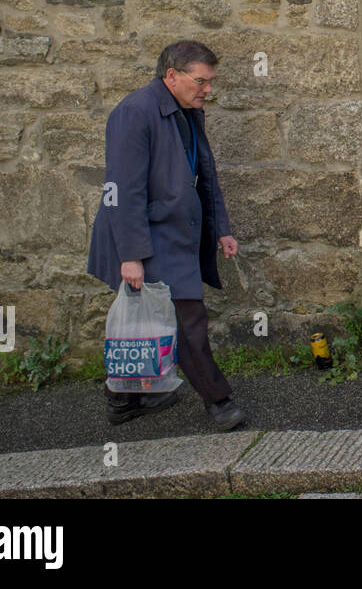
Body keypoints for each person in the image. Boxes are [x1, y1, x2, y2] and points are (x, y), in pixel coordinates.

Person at [86, 40, 247, 430]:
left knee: (152, 323)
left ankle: (124, 401)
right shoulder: (135, 113)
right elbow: (122, 189)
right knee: (187, 318)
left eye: (210, 82)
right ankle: (219, 403)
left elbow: (204, 176)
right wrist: (131, 254)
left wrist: (221, 228)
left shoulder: (188, 110)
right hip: (146, 237)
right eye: (201, 81)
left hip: (176, 235)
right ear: (171, 76)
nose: (208, 89)